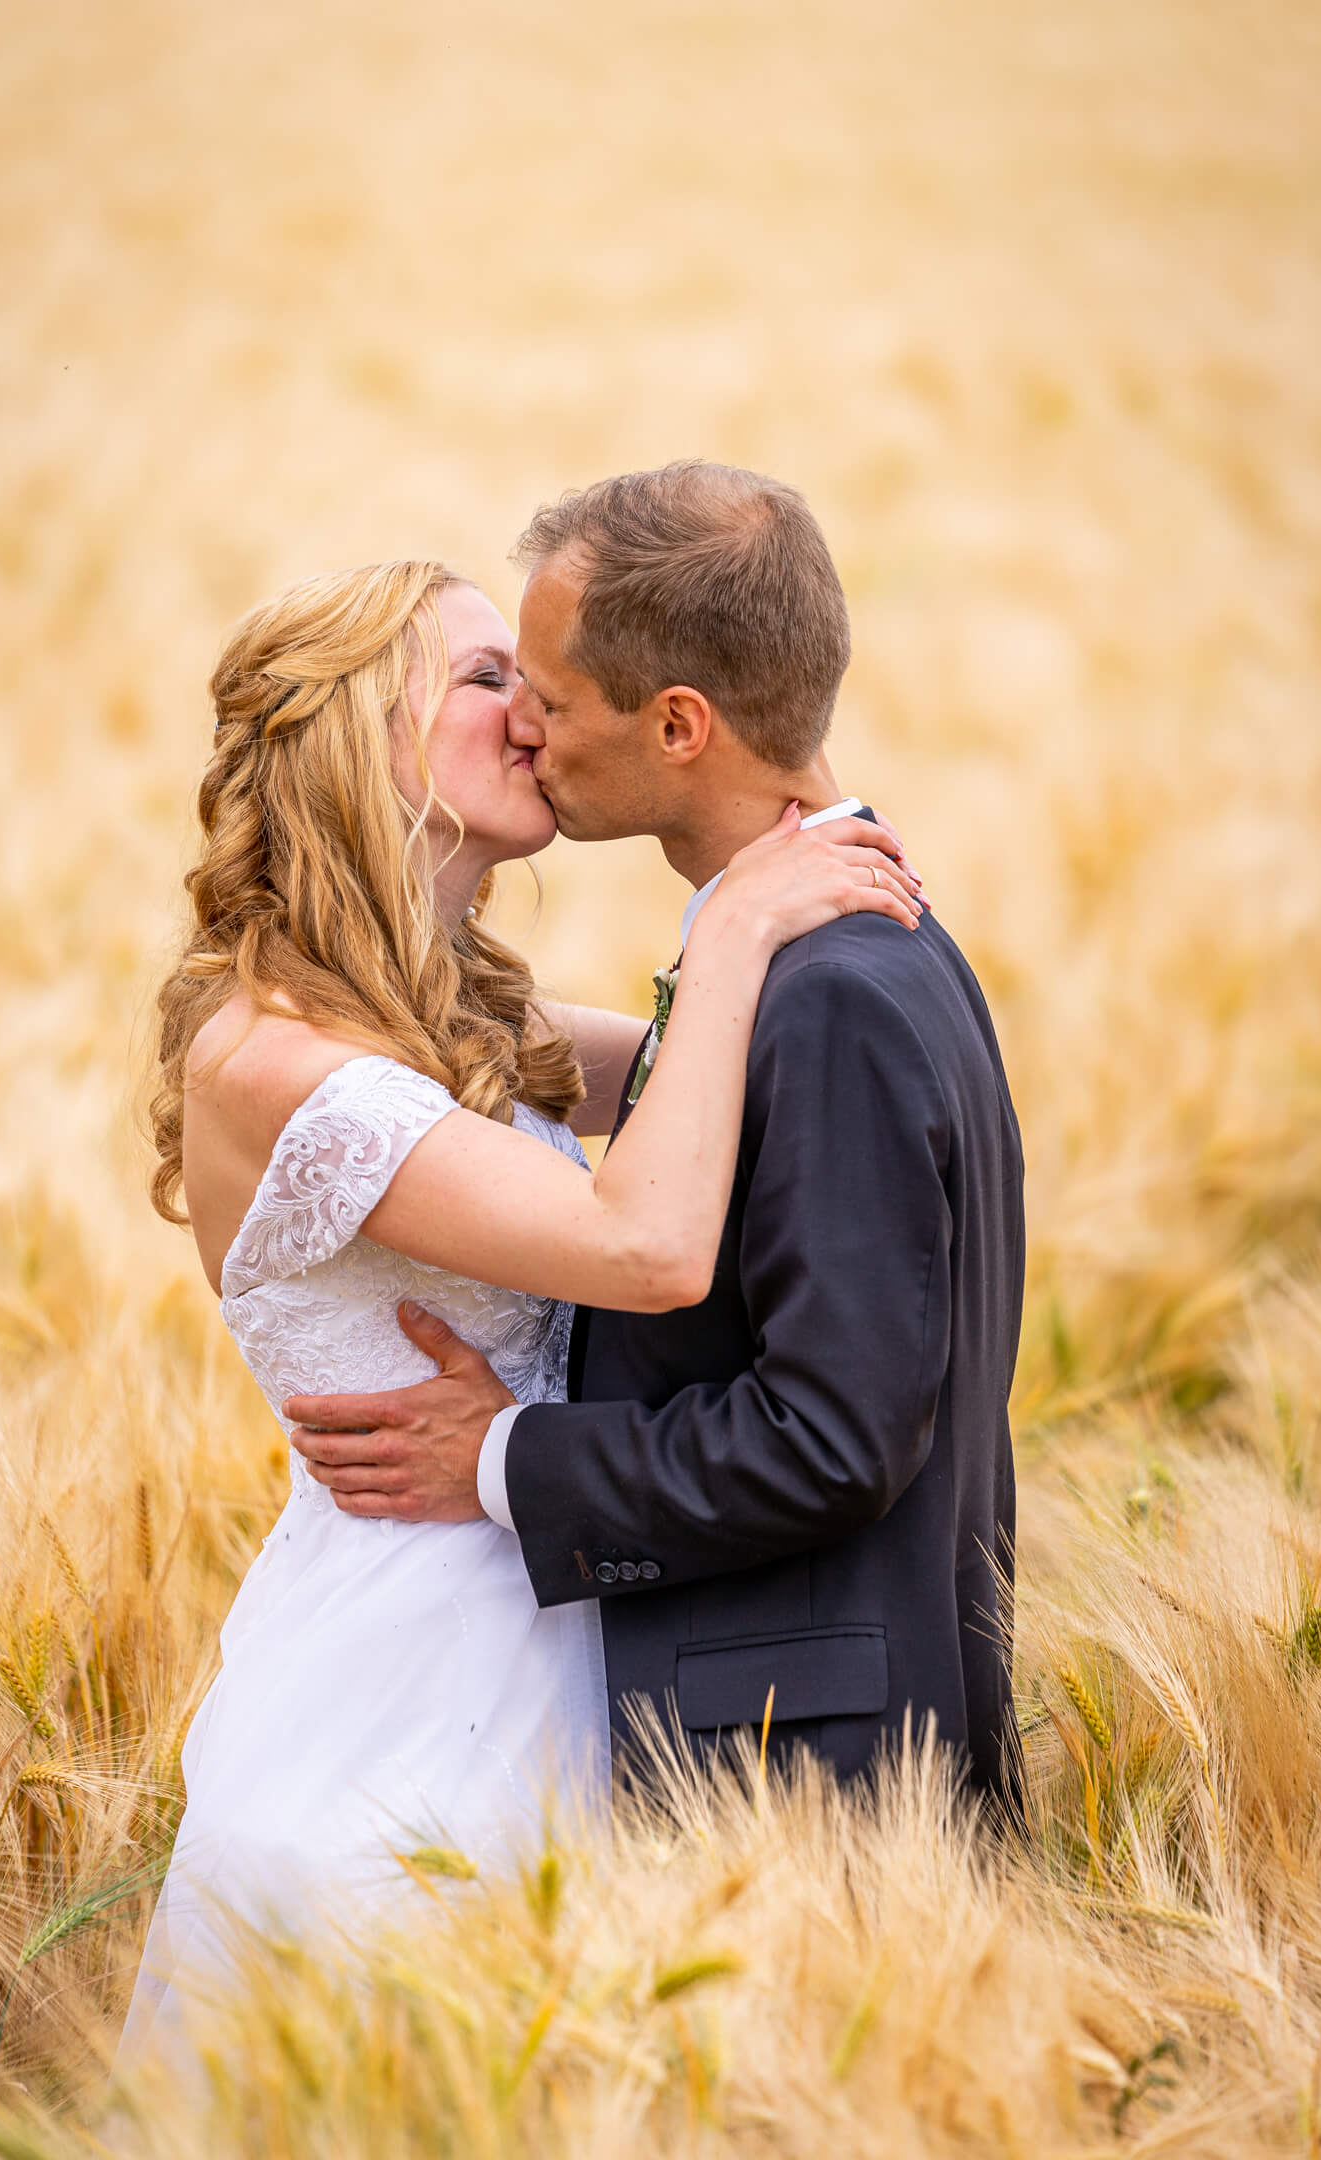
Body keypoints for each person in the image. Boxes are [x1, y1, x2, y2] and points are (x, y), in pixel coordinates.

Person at [119, 551, 921, 2061]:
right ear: (362, 731)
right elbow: (650, 1247)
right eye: (491, 681)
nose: (538, 718)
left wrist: (780, 830)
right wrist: (741, 922)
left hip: (571, 1618)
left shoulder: (459, 1015)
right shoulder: (274, 1061)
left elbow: (720, 1074)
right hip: (401, 1685)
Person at [290, 462, 1027, 1810]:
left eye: (555, 702)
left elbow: (834, 1438)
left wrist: (499, 1458)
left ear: (679, 725)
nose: (529, 733)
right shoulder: (838, 952)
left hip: (814, 1778)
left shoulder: (838, 996)